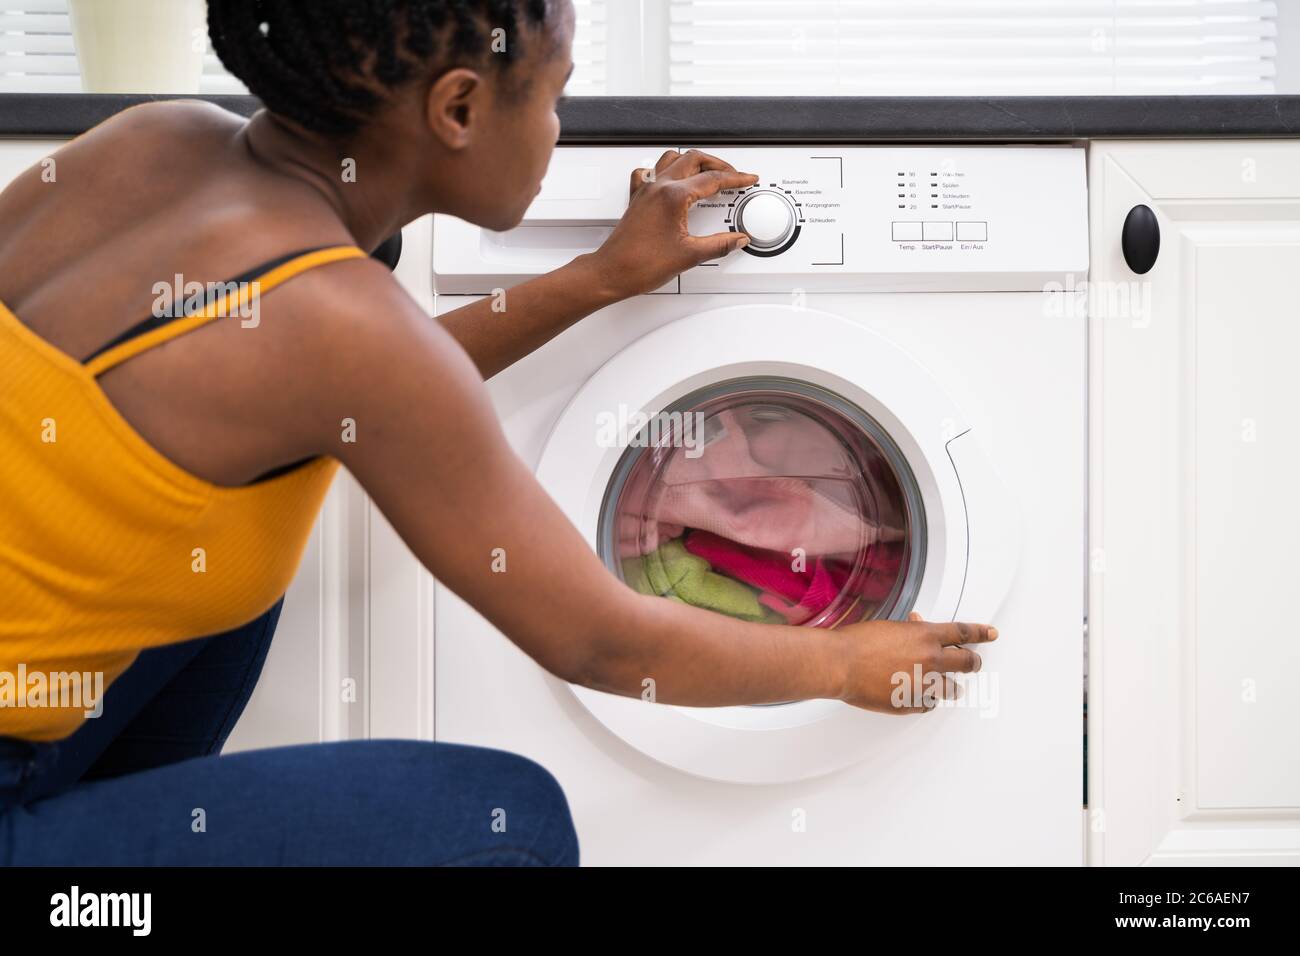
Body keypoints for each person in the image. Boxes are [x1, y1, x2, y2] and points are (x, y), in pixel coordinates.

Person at [0, 0, 995, 866]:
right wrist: (842, 661)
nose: (559, 126)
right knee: (512, 823)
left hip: (32, 711)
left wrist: (600, 277)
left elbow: (357, 380)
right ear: (461, 108)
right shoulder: (338, 327)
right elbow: (602, 641)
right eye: (554, 94)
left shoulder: (148, 141)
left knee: (245, 526)